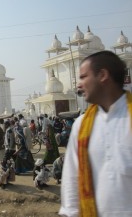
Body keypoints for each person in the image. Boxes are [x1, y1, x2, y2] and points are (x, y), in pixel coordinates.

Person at [59, 51, 132, 217]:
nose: (79, 84)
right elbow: (72, 179)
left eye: (84, 77)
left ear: (103, 75)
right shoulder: (81, 125)